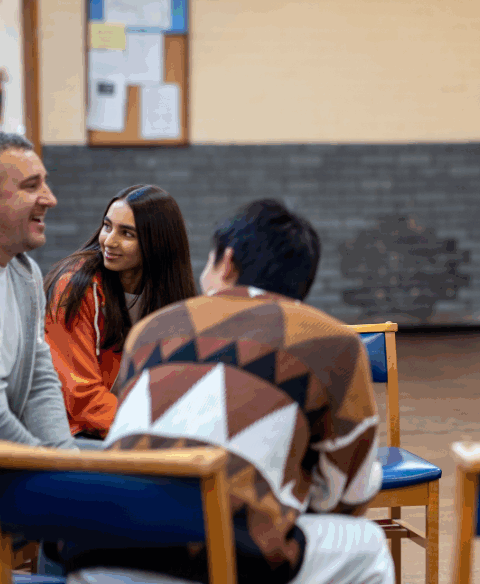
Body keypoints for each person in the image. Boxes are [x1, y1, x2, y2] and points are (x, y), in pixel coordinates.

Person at [65, 200, 393, 584]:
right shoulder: (333, 341)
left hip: (97, 550)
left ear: (227, 262)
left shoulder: (151, 329)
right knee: (366, 543)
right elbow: (347, 495)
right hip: (219, 559)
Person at [44, 184, 196, 439]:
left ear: (157, 243)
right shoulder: (75, 286)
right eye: (107, 226)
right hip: (77, 432)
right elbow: (81, 397)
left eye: (127, 234)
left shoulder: (172, 297)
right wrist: (156, 434)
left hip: (130, 427)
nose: (109, 241)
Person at [0, 132, 75, 449]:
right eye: (31, 186)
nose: (50, 198)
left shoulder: (25, 274)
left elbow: (39, 382)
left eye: (45, 183)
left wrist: (65, 457)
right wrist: (55, 470)